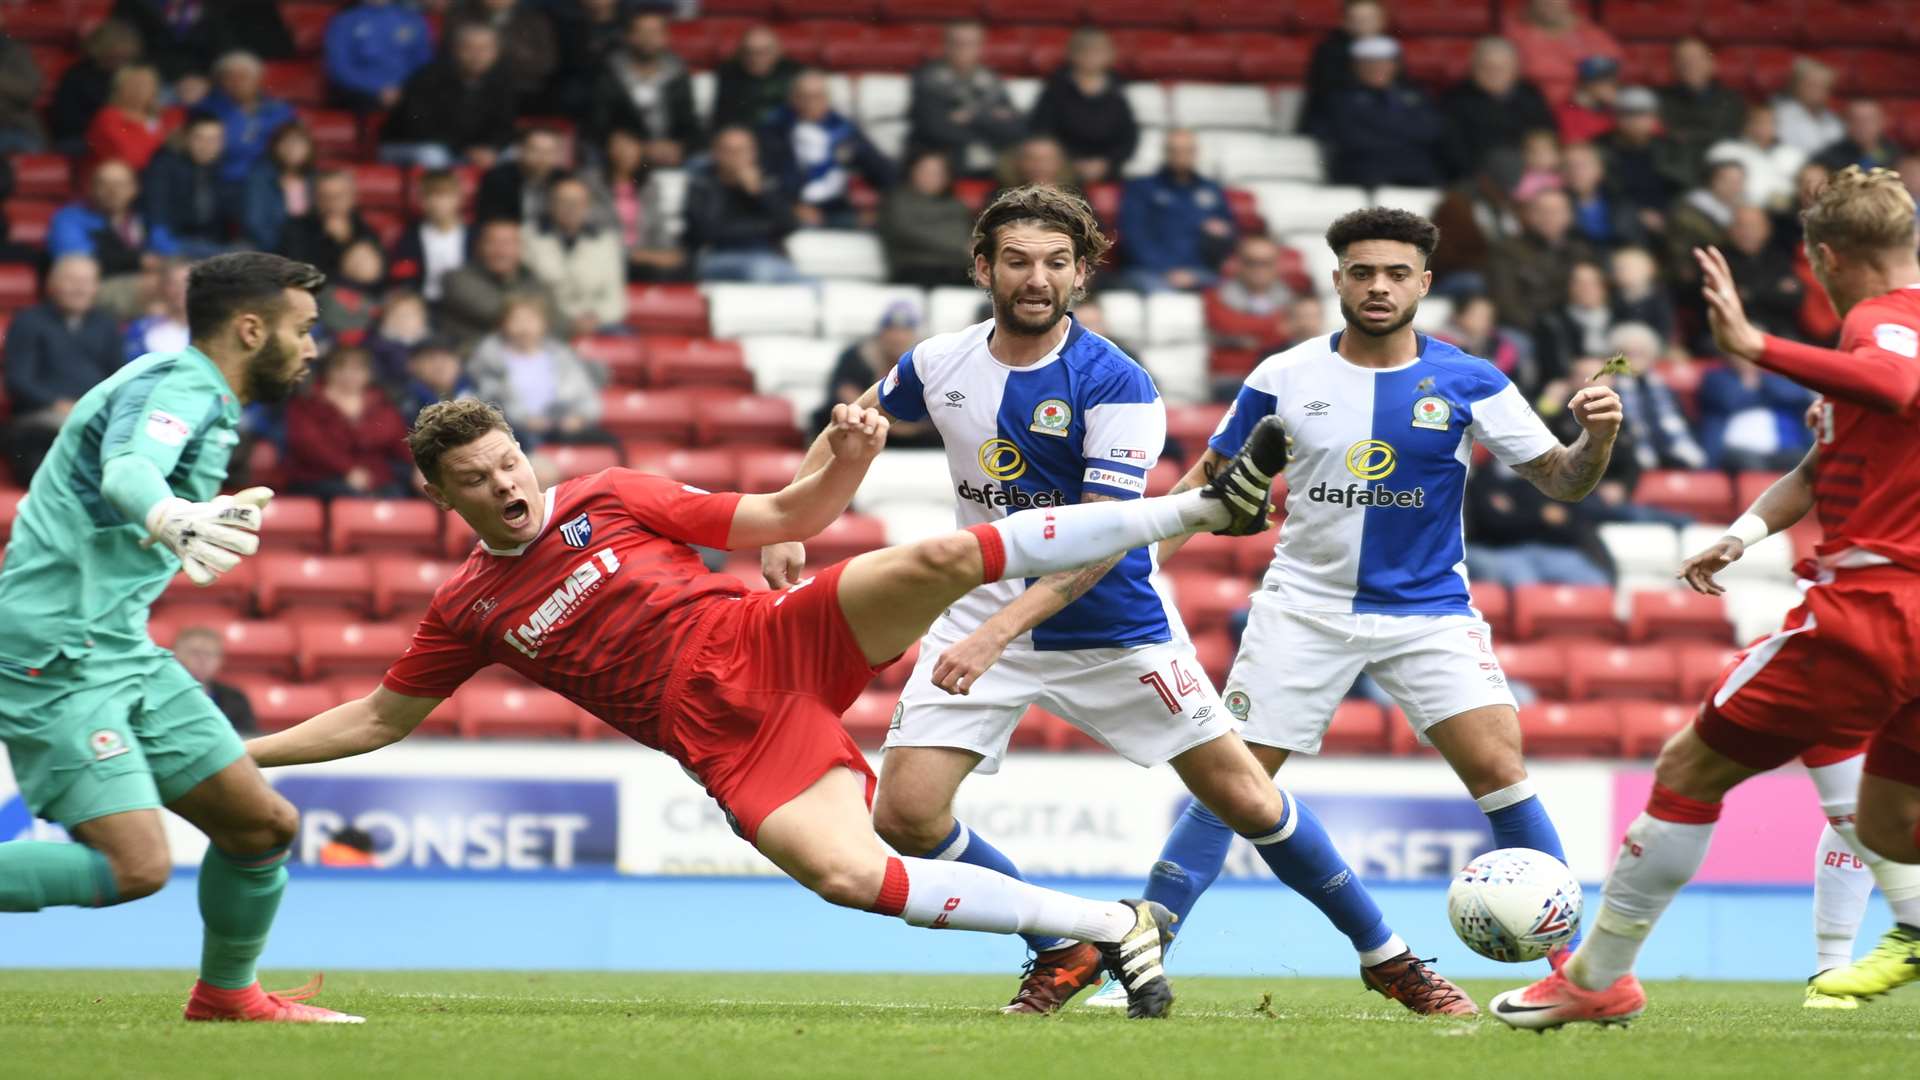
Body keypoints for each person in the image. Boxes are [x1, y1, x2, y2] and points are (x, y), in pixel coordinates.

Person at [244, 392, 1301, 1021]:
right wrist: (242, 759)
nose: (509, 486)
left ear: (527, 453)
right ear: (444, 497)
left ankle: (1203, 504)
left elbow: (788, 515)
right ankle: (1104, 926)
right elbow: (380, 719)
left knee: (936, 556)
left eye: (511, 461)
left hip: (767, 633)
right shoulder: (467, 606)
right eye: (478, 479)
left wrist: (843, 461)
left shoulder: (606, 495)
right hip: (726, 737)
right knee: (853, 875)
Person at [764, 185, 1471, 1018]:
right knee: (907, 817)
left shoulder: (1117, 384)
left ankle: (1388, 959)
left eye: (1057, 263)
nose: (1037, 278)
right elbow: (855, 425)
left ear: (1082, 275)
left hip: (1116, 628)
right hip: (983, 613)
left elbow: (1104, 539)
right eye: (1019, 261)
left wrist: (997, 631)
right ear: (984, 267)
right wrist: (794, 512)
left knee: (1243, 799)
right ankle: (1067, 943)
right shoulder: (937, 362)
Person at [1085, 206, 1627, 1013]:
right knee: (1233, 788)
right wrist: (1137, 567)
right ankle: (1143, 959)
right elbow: (1210, 482)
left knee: (1502, 775)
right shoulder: (1283, 375)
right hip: (1303, 609)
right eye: (1364, 272)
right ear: (1337, 278)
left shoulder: (1472, 379)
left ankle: (1578, 982)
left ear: (1424, 284)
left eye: (1397, 273)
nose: (1379, 287)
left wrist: (1598, 441)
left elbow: (1562, 479)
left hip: (1431, 613)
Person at [1493, 166, 1920, 1027]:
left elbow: (1900, 384)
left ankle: (1597, 977)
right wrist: (1746, 534)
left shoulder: (1882, 323)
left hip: (1873, 607)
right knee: (1887, 818)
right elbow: (1827, 463)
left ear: (1828, 258)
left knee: (1690, 768)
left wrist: (1757, 347)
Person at [0, 251, 358, 1024]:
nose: (312, 348)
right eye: (303, 331)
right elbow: (130, 469)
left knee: (262, 826)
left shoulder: (204, 398)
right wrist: (171, 516)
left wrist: (189, 514)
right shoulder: (176, 384)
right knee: (135, 867)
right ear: (251, 328)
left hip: (118, 645)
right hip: (55, 653)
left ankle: (229, 997)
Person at [3, 255, 125, 481]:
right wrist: (58, 404)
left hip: (97, 417)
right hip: (40, 418)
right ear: (51, 283)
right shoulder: (28, 321)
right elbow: (18, 380)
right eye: (71, 280)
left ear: (97, 286)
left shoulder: (107, 324)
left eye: (87, 281)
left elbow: (119, 378)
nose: (79, 288)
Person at [466, 295, 608, 447]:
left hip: (562, 427)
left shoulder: (562, 356)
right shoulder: (489, 358)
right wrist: (523, 420)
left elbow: (584, 394)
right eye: (517, 320)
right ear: (503, 324)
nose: (524, 327)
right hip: (513, 431)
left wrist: (579, 417)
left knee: (606, 443)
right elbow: (487, 400)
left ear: (544, 324)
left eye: (530, 320)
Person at [760, 70, 895, 229]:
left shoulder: (844, 130)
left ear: (827, 99)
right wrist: (791, 206)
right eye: (804, 96)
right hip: (789, 209)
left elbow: (882, 170)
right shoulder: (774, 130)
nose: (810, 103)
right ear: (792, 99)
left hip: (836, 208)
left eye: (817, 96)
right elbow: (765, 178)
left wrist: (880, 209)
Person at [47, 160, 177, 319]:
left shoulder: (145, 220)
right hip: (90, 288)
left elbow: (169, 253)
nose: (113, 190)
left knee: (180, 283)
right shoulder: (69, 218)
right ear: (92, 188)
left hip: (149, 286)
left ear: (134, 189)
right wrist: (138, 261)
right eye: (104, 184)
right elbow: (76, 261)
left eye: (121, 184)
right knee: (160, 287)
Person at [380, 21, 517, 171]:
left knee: (514, 154)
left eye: (485, 48)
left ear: (496, 52)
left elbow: (504, 126)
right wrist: (467, 149)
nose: (477, 55)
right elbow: (421, 127)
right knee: (434, 155)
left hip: (466, 148)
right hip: (407, 145)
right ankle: (439, 194)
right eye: (469, 48)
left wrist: (492, 148)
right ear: (455, 50)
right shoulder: (429, 77)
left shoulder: (501, 80)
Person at [1115, 128, 1236, 294]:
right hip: (1150, 272)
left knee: (1232, 291)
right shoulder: (1141, 189)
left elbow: (1230, 234)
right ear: (1165, 153)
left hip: (1200, 272)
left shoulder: (1211, 190)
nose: (1181, 156)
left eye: (1187, 150)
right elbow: (1133, 237)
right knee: (1164, 298)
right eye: (1175, 150)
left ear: (1196, 153)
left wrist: (1221, 234)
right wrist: (1167, 270)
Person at [284, 345, 413, 500]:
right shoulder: (307, 403)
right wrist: (347, 470)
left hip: (376, 481)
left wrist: (420, 467)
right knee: (352, 497)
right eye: (341, 367)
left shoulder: (383, 404)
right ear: (327, 371)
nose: (349, 374)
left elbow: (401, 443)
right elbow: (309, 445)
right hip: (319, 479)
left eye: (358, 368)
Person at [1316, 36, 1443, 189]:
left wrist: (1385, 130)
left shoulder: (1415, 95)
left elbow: (1432, 131)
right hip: (1364, 173)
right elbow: (1352, 138)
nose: (1377, 68)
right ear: (1355, 66)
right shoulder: (1340, 99)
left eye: (1384, 62)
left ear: (1395, 65)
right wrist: (1403, 134)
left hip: (1417, 172)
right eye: (1369, 63)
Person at [684, 126, 804, 284]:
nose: (735, 157)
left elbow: (790, 224)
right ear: (715, 154)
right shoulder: (702, 185)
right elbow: (708, 231)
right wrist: (763, 228)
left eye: (741, 150)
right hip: (717, 256)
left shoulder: (766, 184)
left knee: (816, 289)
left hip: (768, 256)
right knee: (761, 271)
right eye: (728, 151)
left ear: (753, 153)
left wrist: (760, 194)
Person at [812, 302, 938, 450]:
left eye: (904, 331)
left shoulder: (928, 360)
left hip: (917, 436)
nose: (897, 337)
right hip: (862, 429)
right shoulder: (857, 356)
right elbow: (843, 395)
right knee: (828, 418)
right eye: (892, 330)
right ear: (881, 332)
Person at [907, 21, 1023, 178]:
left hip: (992, 157)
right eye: (958, 43)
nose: (963, 49)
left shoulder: (991, 79)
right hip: (946, 158)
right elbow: (934, 129)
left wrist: (972, 117)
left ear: (980, 47)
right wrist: (990, 119)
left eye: (970, 44)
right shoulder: (927, 78)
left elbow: (1014, 127)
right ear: (945, 45)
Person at [586, 11, 697, 167]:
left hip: (669, 150)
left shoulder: (678, 73)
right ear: (629, 36)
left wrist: (680, 147)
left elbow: (689, 121)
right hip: (623, 151)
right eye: (642, 32)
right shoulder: (610, 72)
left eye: (655, 32)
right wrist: (639, 146)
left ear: (666, 37)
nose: (649, 39)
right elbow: (599, 121)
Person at [1027, 28, 1137, 185]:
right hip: (1060, 167)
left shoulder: (1120, 89)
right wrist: (1070, 163)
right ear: (1072, 54)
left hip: (1109, 166)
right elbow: (1042, 131)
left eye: (1097, 51)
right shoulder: (1055, 87)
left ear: (1110, 54)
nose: (1091, 57)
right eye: (1085, 51)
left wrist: (1107, 163)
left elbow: (1129, 136)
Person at [1439, 37, 1555, 183]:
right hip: (1479, 180)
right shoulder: (1455, 100)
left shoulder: (1530, 95)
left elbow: (1547, 136)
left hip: (1531, 176)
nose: (1494, 73)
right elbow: (1453, 152)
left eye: (1501, 67)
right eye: (1486, 67)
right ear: (1473, 68)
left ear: (1515, 69)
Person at [523, 175, 627, 337]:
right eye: (563, 201)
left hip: (595, 323)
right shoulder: (529, 237)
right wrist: (561, 322)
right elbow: (524, 290)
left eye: (577, 202)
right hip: (545, 323)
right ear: (551, 204)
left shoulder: (606, 242)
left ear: (587, 206)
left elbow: (615, 298)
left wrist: (595, 319)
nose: (571, 208)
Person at [438, 218, 563, 347]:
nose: (500, 251)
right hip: (472, 356)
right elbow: (500, 313)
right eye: (492, 243)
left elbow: (559, 323)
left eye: (508, 243)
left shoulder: (534, 281)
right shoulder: (456, 279)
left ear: (521, 248)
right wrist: (534, 317)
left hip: (531, 356)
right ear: (479, 246)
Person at [583, 127, 684, 283]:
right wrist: (631, 254)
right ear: (608, 150)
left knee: (680, 266)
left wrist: (668, 253)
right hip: (606, 256)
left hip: (646, 258)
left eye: (631, 146)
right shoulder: (592, 184)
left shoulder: (649, 186)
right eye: (619, 146)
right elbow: (592, 227)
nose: (625, 152)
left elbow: (659, 227)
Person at [1488, 188, 1594, 328]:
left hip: (1576, 324)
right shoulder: (1507, 250)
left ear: (1569, 216)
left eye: (1557, 211)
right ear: (1528, 215)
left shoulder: (1581, 251)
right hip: (1528, 325)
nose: (1549, 217)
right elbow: (1506, 302)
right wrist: (1538, 328)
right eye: (1542, 211)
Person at [1204, 235, 1297, 385]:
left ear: (1277, 264)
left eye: (1266, 263)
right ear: (1238, 263)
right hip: (1232, 378)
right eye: (1250, 262)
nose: (1258, 269)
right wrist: (1275, 330)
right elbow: (1226, 325)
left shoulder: (1292, 296)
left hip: (1280, 379)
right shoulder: (1216, 296)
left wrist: (1246, 336)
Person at [1697, 355, 1815, 472]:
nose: (1746, 360)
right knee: (1750, 463)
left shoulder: (1773, 380)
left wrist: (1758, 386)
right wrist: (1762, 394)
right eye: (1739, 355)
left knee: (1802, 460)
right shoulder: (1716, 378)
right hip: (1737, 451)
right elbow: (1729, 400)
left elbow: (1797, 397)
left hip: (1778, 451)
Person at [197, 52, 296, 187]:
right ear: (220, 82)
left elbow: (292, 148)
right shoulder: (207, 110)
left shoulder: (280, 111)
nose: (236, 83)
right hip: (219, 181)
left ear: (258, 79)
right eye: (229, 77)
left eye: (243, 77)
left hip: (269, 181)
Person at [141, 113, 234, 257]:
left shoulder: (225, 168)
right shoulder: (164, 164)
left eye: (214, 139)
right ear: (186, 138)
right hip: (177, 242)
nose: (207, 145)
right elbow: (156, 209)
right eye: (199, 138)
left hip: (215, 244)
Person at [1502, 0, 1623, 109]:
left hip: (1581, 111)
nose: (1550, 3)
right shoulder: (1514, 33)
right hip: (1529, 110)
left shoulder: (1591, 35)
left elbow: (1609, 85)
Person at [880, 150, 974, 289]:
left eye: (938, 173)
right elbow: (907, 232)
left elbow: (964, 235)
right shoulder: (897, 202)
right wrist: (960, 246)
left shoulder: (956, 205)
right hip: (915, 272)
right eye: (926, 172)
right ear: (912, 172)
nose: (931, 177)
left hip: (958, 272)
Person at [324, 0, 434, 114]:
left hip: (407, 91)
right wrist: (377, 90)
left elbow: (424, 64)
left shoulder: (412, 18)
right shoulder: (345, 20)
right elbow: (340, 69)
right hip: (362, 92)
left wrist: (404, 90)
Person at [50, 19, 141, 154]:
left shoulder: (129, 76)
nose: (121, 61)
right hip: (80, 138)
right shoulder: (77, 76)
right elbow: (66, 122)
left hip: (118, 137)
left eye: (124, 57)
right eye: (116, 56)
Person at [1300, 0, 1386, 137]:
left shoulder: (1388, 49)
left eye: (1370, 19)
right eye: (1358, 20)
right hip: (1336, 124)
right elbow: (1330, 96)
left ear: (1382, 21)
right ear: (1345, 22)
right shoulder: (1329, 51)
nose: (1365, 25)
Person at [1658, 37, 1745, 171]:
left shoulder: (1732, 101)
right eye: (1683, 59)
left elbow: (1731, 137)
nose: (1690, 64)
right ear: (1673, 65)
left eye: (1697, 58)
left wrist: (1687, 136)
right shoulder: (1659, 100)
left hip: (1720, 171)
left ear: (1712, 63)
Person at [449, 0, 557, 107]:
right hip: (468, 87)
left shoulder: (535, 20)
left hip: (522, 89)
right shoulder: (460, 15)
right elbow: (448, 55)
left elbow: (546, 62)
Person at [279, 168, 380, 281]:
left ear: (352, 198)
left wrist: (345, 241)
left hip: (358, 295)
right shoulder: (297, 228)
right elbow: (299, 273)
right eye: (325, 197)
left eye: (338, 196)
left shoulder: (365, 230)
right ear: (315, 199)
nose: (332, 204)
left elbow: (376, 277)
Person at [1721, 205, 1804, 339]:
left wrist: (1750, 293)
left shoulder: (1780, 258)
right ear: (1730, 230)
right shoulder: (1719, 260)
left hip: (1782, 333)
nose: (1747, 232)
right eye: (1741, 226)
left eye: (1753, 226)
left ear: (1767, 229)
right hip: (1734, 335)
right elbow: (1727, 302)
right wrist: (1774, 290)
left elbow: (1795, 295)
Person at [1707, 104, 1807, 214]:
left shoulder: (1792, 155)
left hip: (1788, 215)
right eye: (1759, 122)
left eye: (1770, 122)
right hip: (1737, 213)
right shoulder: (1725, 151)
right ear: (1746, 124)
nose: (1764, 127)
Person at [1532, 260, 1617, 388]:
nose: (1586, 289)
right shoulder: (1553, 322)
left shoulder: (1619, 318)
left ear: (1604, 287)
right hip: (1572, 383)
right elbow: (1555, 366)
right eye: (1579, 283)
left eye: (1592, 283)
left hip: (1615, 381)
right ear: (1569, 287)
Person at [387, 169, 468, 302]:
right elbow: (403, 277)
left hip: (465, 305)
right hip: (423, 305)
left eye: (443, 195)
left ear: (458, 198)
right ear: (422, 201)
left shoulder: (476, 236)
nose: (437, 203)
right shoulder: (410, 238)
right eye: (430, 196)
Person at [239, 122, 317, 252]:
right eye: (286, 143)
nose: (292, 149)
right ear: (275, 147)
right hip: (270, 248)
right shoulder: (260, 177)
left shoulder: (315, 179)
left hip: (308, 249)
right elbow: (255, 222)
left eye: (298, 143)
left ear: (309, 148)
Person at [85, 64, 179, 171]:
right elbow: (129, 156)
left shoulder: (161, 118)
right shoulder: (108, 117)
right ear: (119, 88)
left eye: (146, 84)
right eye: (134, 84)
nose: (140, 89)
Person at [712, 24, 801, 133]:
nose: (756, 58)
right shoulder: (728, 75)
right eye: (749, 52)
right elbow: (723, 119)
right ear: (741, 53)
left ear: (778, 51)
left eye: (763, 52)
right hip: (744, 138)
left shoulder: (796, 74)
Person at [171, 626, 258, 735]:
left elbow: (248, 738)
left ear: (220, 660)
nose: (202, 660)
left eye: (209, 654)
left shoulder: (236, 699)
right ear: (176, 655)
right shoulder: (160, 696)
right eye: (195, 653)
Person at [474, 126, 565, 227]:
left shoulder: (564, 180)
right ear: (521, 150)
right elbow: (490, 219)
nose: (542, 157)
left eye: (549, 152)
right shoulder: (498, 178)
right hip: (510, 235)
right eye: (535, 150)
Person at [1563, 141, 1643, 250]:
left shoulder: (1622, 204)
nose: (1576, 172)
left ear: (1600, 170)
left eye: (1582, 165)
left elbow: (1634, 243)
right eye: (1569, 166)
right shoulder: (1554, 207)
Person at [315, 239, 387, 346]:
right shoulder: (323, 284)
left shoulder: (384, 300)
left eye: (367, 258)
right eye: (356, 254)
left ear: (380, 267)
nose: (359, 262)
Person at [392, 337, 476, 424]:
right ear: (414, 366)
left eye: (446, 356)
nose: (440, 365)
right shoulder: (406, 407)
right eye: (430, 358)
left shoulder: (478, 390)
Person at [1772, 57, 1844, 158]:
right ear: (1796, 85)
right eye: (1812, 85)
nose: (1817, 91)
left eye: (1823, 86)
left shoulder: (1832, 119)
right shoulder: (1779, 114)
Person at [125, 257, 192, 362]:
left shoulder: (213, 330)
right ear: (163, 287)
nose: (181, 289)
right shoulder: (141, 329)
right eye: (173, 283)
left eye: (187, 282)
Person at [1815, 100, 1903, 175]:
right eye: (1855, 120)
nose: (1862, 126)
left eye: (1868, 120)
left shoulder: (1897, 155)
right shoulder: (1830, 158)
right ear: (1846, 124)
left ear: (1882, 122)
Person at [1555, 56, 1620, 147]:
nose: (1608, 84)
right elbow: (1575, 145)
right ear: (1584, 83)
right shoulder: (1568, 110)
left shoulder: (1616, 107)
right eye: (1601, 79)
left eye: (1611, 78)